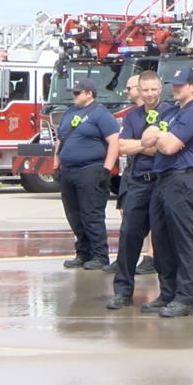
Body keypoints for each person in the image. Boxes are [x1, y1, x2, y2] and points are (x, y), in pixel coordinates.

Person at [138, 67, 193, 317]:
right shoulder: (170, 111)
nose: (175, 88)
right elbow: (145, 138)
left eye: (181, 84)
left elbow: (168, 147)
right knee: (161, 239)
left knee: (183, 240)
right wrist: (159, 134)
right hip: (162, 180)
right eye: (173, 84)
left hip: (181, 180)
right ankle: (168, 292)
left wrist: (159, 134)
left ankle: (186, 298)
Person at [105, 71, 171, 309]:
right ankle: (122, 292)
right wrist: (149, 144)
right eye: (145, 90)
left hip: (163, 181)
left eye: (154, 89)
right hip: (138, 182)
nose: (150, 93)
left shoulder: (171, 113)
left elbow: (169, 147)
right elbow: (122, 145)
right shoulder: (132, 116)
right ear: (139, 91)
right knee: (129, 237)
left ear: (160, 88)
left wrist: (141, 145)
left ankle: (166, 294)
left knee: (164, 240)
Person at [55, 78, 119, 270]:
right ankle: (83, 253)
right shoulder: (69, 112)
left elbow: (114, 142)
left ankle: (100, 255)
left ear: (89, 93)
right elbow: (60, 140)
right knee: (74, 215)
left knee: (92, 214)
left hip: (90, 170)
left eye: (77, 93)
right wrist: (55, 164)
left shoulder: (101, 114)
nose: (73, 96)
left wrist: (107, 169)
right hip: (68, 171)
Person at [104, 74, 157, 276]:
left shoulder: (164, 113)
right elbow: (123, 146)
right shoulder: (131, 115)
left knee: (153, 218)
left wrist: (137, 146)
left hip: (154, 174)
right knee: (127, 214)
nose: (126, 92)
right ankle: (125, 260)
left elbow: (162, 147)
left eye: (129, 88)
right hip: (132, 171)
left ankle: (151, 256)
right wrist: (144, 145)